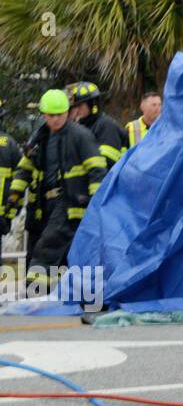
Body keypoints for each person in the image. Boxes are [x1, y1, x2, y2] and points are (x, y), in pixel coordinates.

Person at [4, 89, 107, 286]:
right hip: (43, 204)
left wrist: (95, 203)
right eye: (52, 115)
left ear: (68, 112)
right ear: (44, 114)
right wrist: (14, 196)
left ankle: (35, 291)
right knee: (52, 249)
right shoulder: (40, 137)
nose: (56, 119)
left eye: (60, 114)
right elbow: (25, 168)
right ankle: (58, 293)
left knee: (47, 247)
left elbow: (96, 170)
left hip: (70, 201)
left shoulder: (80, 136)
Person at [66, 81, 128, 166]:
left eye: (79, 105)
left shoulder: (105, 125)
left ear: (92, 105)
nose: (76, 110)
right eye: (73, 107)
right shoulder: (83, 126)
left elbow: (109, 160)